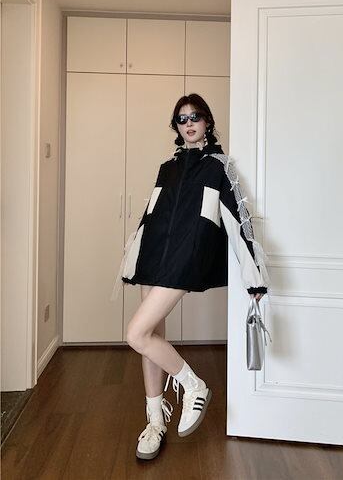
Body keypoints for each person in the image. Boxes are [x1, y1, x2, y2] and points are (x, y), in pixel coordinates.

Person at [110, 93, 271, 460]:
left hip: (182, 261)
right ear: (177, 126)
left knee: (136, 334)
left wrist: (255, 276)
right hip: (152, 259)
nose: (189, 123)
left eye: (195, 116)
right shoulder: (167, 168)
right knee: (150, 338)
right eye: (182, 119)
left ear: (207, 122)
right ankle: (155, 422)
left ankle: (193, 385)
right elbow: (149, 217)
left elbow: (239, 221)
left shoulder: (219, 167)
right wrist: (132, 262)